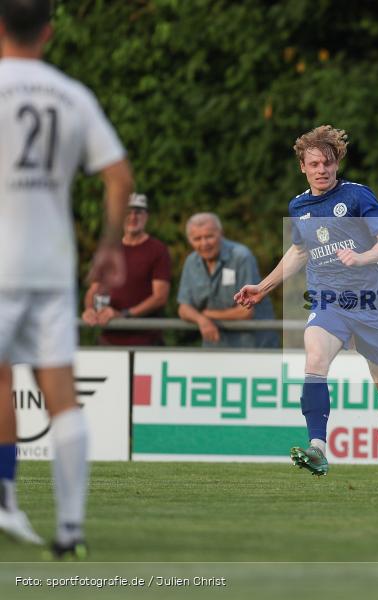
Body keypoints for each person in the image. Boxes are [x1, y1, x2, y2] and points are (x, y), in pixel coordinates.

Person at [0, 0, 133, 558]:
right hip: (51, 267)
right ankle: (70, 528)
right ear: (49, 32)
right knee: (60, 395)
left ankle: (7, 497)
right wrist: (106, 247)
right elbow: (118, 177)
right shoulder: (72, 94)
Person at [234, 125, 378, 476]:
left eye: (327, 162)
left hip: (372, 300)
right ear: (303, 167)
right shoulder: (299, 206)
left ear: (337, 163)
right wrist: (262, 287)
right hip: (328, 299)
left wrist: (362, 257)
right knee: (314, 358)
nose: (322, 170)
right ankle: (317, 448)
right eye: (314, 164)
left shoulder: (357, 196)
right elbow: (298, 251)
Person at [176, 212, 279, 349]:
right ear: (189, 241)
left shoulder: (241, 256)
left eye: (209, 236)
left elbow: (245, 311)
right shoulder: (191, 262)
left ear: (221, 233)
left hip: (253, 347)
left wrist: (208, 314)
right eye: (197, 238)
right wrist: (202, 320)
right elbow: (183, 308)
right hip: (215, 347)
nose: (204, 243)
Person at [82, 192, 171, 346]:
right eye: (127, 212)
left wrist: (124, 315)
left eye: (138, 212)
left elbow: (160, 297)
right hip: (109, 338)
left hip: (146, 340)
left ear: (146, 216)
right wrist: (89, 309)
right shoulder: (109, 248)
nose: (132, 217)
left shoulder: (158, 250)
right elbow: (94, 289)